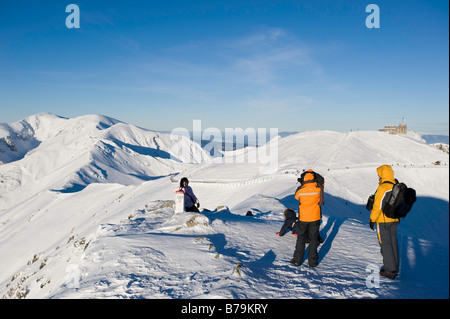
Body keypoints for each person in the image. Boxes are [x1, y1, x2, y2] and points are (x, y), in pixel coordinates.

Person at [369, 165, 400, 279]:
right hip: (395, 220)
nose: (378, 176)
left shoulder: (383, 187)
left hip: (383, 221)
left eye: (379, 173)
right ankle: (395, 268)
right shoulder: (395, 185)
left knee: (386, 245)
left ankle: (390, 270)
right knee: (393, 244)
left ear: (383, 174)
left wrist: (372, 219)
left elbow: (377, 207)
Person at [291, 169, 324, 267]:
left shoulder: (300, 191)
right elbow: (322, 181)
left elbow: (296, 197)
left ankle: (297, 260)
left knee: (301, 239)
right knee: (314, 240)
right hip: (315, 218)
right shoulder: (318, 189)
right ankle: (313, 262)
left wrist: (302, 185)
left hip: (304, 218)